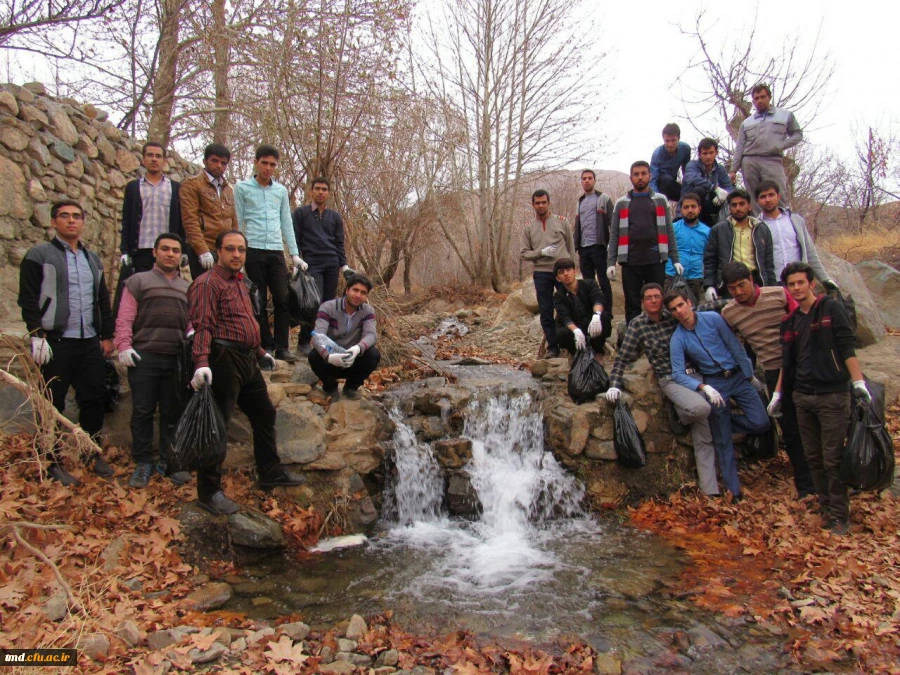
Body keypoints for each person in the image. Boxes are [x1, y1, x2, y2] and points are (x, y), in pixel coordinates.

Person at [188, 230, 305, 515]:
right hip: (221, 358)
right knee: (217, 425)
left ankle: (270, 471)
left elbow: (246, 322)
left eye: (241, 249)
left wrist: (261, 352)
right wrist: (201, 362)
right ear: (218, 251)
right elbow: (203, 326)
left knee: (264, 412)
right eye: (230, 249)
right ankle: (209, 491)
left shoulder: (242, 282)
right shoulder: (207, 284)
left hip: (246, 358)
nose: (237, 255)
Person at [769, 262, 871, 535]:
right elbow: (786, 362)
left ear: (811, 283)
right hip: (803, 396)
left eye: (801, 282)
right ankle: (826, 508)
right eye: (791, 284)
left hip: (832, 395)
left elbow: (846, 346)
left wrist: (858, 382)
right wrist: (778, 393)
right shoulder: (789, 322)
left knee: (832, 457)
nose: (797, 288)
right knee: (813, 456)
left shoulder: (830, 309)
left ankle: (839, 515)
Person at [18, 201, 115, 485]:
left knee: (94, 397)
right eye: (65, 216)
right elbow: (27, 298)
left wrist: (107, 335)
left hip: (88, 342)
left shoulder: (93, 260)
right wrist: (36, 334)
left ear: (83, 222)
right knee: (52, 402)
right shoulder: (40, 255)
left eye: (76, 216)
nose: (71, 221)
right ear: (53, 222)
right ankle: (49, 459)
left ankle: (89, 451)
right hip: (55, 341)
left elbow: (102, 300)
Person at [605, 283, 719, 496]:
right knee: (702, 409)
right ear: (642, 302)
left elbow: (703, 311)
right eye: (649, 297)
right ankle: (680, 412)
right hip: (670, 379)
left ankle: (710, 490)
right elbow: (622, 358)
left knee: (704, 435)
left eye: (657, 296)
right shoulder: (638, 326)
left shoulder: (673, 315)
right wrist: (614, 385)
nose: (654, 300)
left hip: (694, 375)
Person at [666, 288, 770, 501]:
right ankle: (735, 491)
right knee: (723, 442)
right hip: (714, 381)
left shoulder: (713, 319)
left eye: (681, 305)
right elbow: (677, 373)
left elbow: (735, 346)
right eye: (674, 309)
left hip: (738, 377)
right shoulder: (678, 338)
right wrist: (702, 388)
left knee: (761, 422)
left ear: (689, 302)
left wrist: (750, 375)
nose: (679, 311)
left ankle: (724, 423)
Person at [720, 262, 814, 498]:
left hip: (803, 366)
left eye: (742, 285)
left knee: (815, 422)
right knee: (790, 429)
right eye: (733, 289)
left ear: (752, 280)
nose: (739, 292)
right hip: (772, 372)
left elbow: (803, 319)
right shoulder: (730, 313)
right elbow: (730, 342)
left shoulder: (780, 294)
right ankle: (806, 486)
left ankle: (833, 476)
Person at [115, 233, 193, 489]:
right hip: (144, 356)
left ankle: (169, 460)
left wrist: (193, 334)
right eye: (165, 249)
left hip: (176, 358)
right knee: (142, 411)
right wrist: (124, 346)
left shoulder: (187, 287)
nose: (170, 254)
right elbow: (125, 317)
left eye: (175, 250)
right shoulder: (138, 281)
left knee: (172, 412)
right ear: (155, 252)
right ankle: (143, 461)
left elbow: (192, 321)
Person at [235, 145, 303, 363]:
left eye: (272, 164)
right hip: (253, 249)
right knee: (259, 299)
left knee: (283, 297)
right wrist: (238, 253)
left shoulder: (280, 191)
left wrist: (294, 254)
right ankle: (266, 345)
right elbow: (238, 221)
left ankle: (283, 346)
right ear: (256, 162)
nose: (268, 168)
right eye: (264, 163)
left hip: (275, 250)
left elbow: (286, 222)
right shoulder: (242, 188)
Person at [607, 161, 683, 323]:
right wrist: (611, 262)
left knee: (657, 302)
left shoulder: (660, 200)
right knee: (632, 303)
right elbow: (614, 235)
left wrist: (675, 259)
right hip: (630, 260)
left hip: (655, 259)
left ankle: (658, 336)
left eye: (643, 173)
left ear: (650, 175)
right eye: (636, 174)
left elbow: (669, 232)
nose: (640, 177)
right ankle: (634, 339)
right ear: (631, 178)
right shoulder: (622, 203)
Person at [292, 177, 355, 353]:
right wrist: (295, 260)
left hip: (332, 263)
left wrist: (344, 266)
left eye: (324, 189)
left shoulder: (335, 216)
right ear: (311, 191)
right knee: (313, 304)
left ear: (328, 193)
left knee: (329, 305)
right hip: (311, 263)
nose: (321, 192)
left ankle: (324, 342)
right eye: (318, 188)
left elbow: (339, 242)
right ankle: (304, 341)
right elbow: (295, 239)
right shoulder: (301, 213)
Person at [307, 273, 381, 400]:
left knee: (374, 354)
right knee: (314, 356)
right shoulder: (328, 307)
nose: (358, 295)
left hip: (352, 359)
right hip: (330, 360)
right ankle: (330, 387)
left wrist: (358, 348)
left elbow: (371, 335)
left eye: (363, 293)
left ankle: (351, 387)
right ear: (347, 290)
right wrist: (328, 357)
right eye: (355, 290)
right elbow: (318, 336)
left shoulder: (367, 311)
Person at [729, 83, 803, 209]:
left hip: (772, 160)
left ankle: (783, 225)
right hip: (749, 162)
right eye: (756, 98)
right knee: (754, 199)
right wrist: (733, 170)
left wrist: (782, 145)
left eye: (762, 97)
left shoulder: (785, 115)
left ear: (769, 97)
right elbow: (740, 146)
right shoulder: (747, 122)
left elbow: (797, 134)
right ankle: (759, 226)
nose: (760, 101)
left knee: (778, 195)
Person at [520, 189, 575, 358]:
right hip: (541, 272)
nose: (541, 205)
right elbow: (524, 253)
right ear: (533, 205)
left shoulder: (562, 221)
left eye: (544, 202)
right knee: (546, 310)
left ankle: (572, 343)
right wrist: (541, 252)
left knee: (568, 306)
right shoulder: (528, 227)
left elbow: (570, 247)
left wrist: (572, 269)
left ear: (549, 203)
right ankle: (553, 347)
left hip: (562, 272)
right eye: (537, 203)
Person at [755, 180, 835, 286]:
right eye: (763, 197)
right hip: (773, 283)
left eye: (771, 195)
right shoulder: (755, 226)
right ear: (757, 201)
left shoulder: (795, 220)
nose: (768, 199)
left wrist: (825, 279)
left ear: (778, 196)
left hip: (799, 281)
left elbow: (810, 251)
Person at [120, 142, 184, 273]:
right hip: (140, 252)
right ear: (143, 159)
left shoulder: (175, 188)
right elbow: (126, 221)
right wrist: (125, 250)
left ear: (164, 161)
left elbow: (181, 222)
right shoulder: (133, 188)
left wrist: (184, 250)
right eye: (150, 155)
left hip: (168, 252)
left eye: (158, 156)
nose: (154, 159)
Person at [703, 188, 775, 300]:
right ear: (730, 208)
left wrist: (771, 288)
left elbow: (768, 264)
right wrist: (709, 286)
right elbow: (710, 261)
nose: (738, 208)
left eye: (742, 204)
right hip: (729, 284)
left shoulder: (761, 229)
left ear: (749, 206)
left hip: (756, 283)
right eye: (734, 205)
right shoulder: (718, 230)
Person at [181, 143, 237, 280]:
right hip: (205, 248)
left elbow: (234, 221)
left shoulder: (228, 189)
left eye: (223, 163)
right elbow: (190, 221)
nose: (219, 166)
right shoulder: (192, 185)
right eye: (215, 161)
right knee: (206, 293)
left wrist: (236, 249)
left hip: (225, 250)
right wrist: (202, 251)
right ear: (205, 161)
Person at [573, 169, 614, 313]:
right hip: (583, 249)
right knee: (588, 283)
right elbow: (578, 226)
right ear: (581, 181)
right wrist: (575, 245)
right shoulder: (580, 201)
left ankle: (607, 313)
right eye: (584, 178)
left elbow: (613, 223)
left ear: (594, 181)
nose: (587, 181)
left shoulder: (603, 198)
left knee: (603, 281)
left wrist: (611, 245)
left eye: (590, 178)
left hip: (599, 247)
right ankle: (592, 312)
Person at [552, 258, 608, 358]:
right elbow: (564, 317)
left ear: (575, 271)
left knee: (603, 318)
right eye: (561, 272)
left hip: (591, 324)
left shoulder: (590, 284)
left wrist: (597, 315)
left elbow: (598, 299)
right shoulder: (559, 296)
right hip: (575, 327)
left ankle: (598, 352)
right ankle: (574, 354)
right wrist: (576, 330)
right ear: (558, 278)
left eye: (568, 270)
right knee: (561, 333)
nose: (566, 274)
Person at [664, 192, 709, 301]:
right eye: (686, 207)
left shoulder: (707, 231)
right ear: (681, 210)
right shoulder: (672, 229)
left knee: (692, 312)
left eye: (693, 207)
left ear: (699, 209)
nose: (690, 210)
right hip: (672, 276)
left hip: (695, 279)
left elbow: (708, 257)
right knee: (669, 310)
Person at [682, 137, 734, 226]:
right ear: (699, 154)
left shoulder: (720, 169)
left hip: (712, 205)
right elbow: (692, 178)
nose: (708, 156)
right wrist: (715, 188)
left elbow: (729, 187)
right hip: (691, 205)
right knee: (700, 189)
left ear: (716, 153)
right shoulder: (692, 165)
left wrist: (725, 194)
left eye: (711, 153)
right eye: (705, 153)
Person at [650, 123, 692, 203]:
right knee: (666, 179)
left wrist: (687, 191)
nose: (670, 144)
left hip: (673, 183)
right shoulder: (657, 154)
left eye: (673, 140)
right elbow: (653, 180)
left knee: (693, 193)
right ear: (663, 139)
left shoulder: (685, 149)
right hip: (661, 184)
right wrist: (657, 199)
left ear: (679, 138)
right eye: (667, 141)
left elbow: (686, 172)